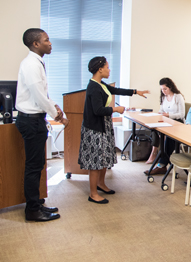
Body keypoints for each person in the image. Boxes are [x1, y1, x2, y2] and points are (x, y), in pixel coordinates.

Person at [79, 56, 149, 204]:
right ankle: (93, 194)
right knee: (96, 162)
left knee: (104, 158)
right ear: (100, 69)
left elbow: (116, 90)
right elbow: (98, 110)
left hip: (104, 126)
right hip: (95, 130)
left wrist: (136, 91)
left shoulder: (101, 84)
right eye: (107, 67)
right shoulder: (93, 87)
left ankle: (101, 184)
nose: (109, 70)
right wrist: (116, 109)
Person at [15, 28, 68, 221]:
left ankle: (37, 204)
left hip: (35, 119)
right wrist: (58, 116)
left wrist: (55, 107)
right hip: (30, 121)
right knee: (33, 167)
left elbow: (42, 95)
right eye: (47, 40)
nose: (50, 43)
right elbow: (38, 96)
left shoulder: (36, 63)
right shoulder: (31, 64)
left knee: (37, 166)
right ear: (36, 44)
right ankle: (32, 210)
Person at [145, 78, 185, 166]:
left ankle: (162, 161)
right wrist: (161, 114)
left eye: (165, 89)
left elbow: (182, 115)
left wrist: (169, 115)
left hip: (177, 122)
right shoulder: (164, 97)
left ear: (170, 87)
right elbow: (161, 109)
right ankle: (155, 152)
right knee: (154, 129)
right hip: (166, 120)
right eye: (162, 89)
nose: (163, 91)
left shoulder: (178, 97)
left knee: (168, 136)